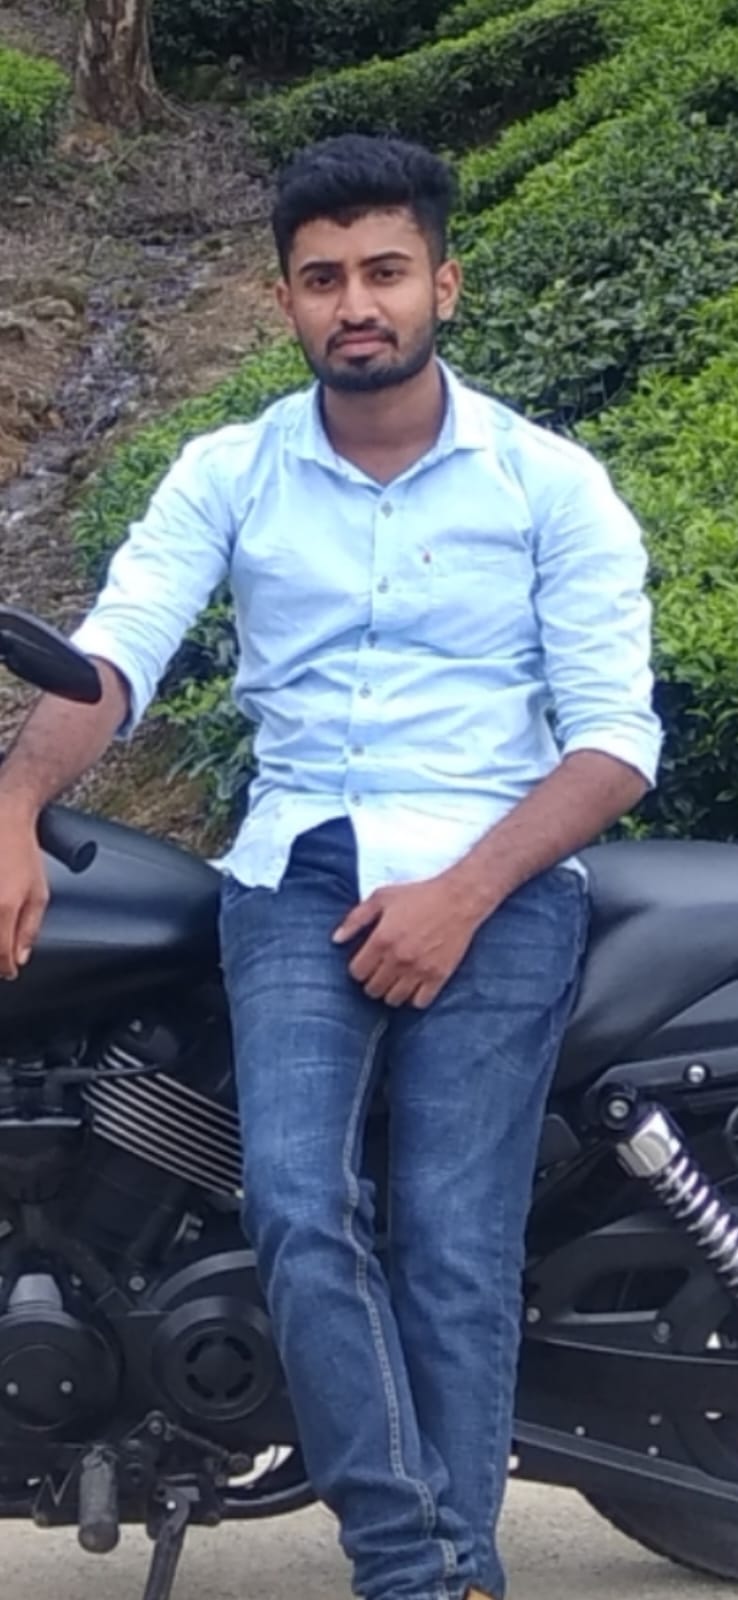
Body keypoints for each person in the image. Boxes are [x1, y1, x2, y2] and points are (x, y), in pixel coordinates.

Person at [0, 134, 661, 1600]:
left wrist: (462, 896)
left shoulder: (547, 483)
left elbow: (616, 740)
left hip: (497, 880)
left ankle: (428, 1577)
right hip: (296, 874)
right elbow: (118, 652)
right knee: (299, 1207)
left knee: (453, 1244)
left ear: (442, 284)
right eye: (322, 280)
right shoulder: (230, 472)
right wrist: (13, 804)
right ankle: (427, 1569)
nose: (356, 304)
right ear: (285, 301)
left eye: (384, 272)